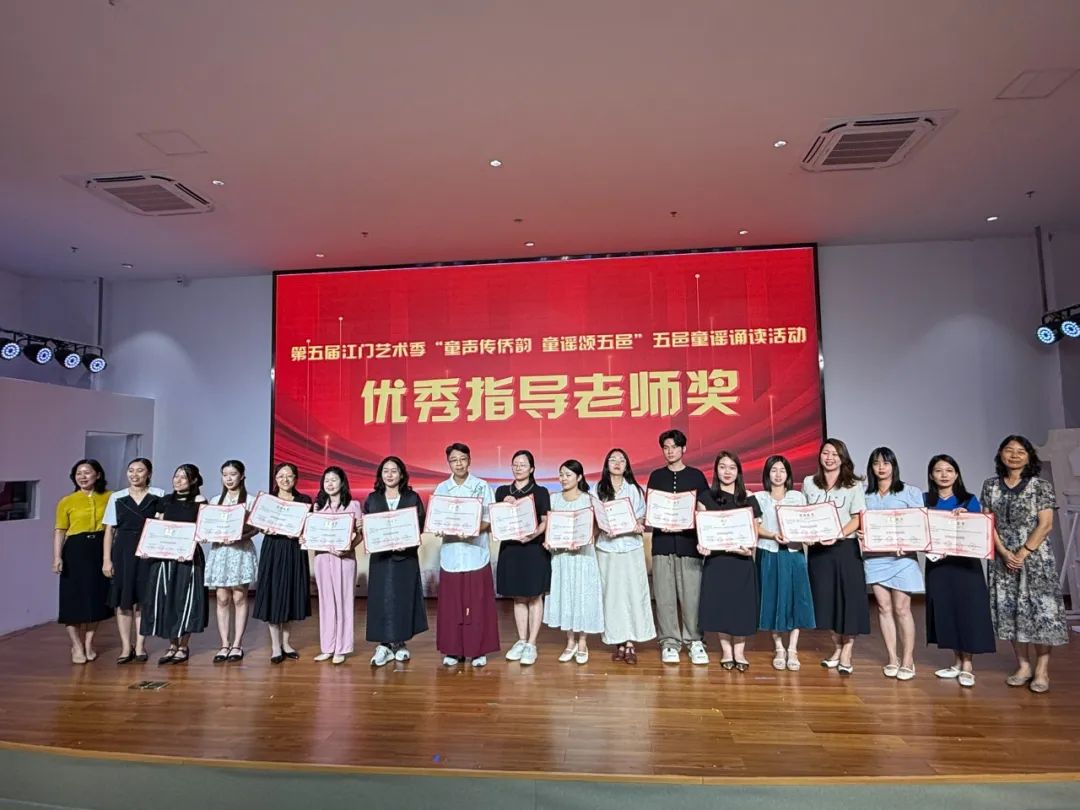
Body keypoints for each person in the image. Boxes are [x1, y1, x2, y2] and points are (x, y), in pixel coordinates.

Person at [980, 435, 1067, 694]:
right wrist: (1004, 552)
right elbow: (987, 522)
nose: (1014, 455)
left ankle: (1042, 670)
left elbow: (1046, 524)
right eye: (1009, 450)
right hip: (1002, 558)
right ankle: (1023, 666)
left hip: (1035, 559)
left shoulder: (1040, 486)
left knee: (1040, 613)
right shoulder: (990, 485)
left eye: (1021, 451)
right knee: (1011, 611)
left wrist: (1023, 552)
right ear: (1000, 453)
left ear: (1029, 457)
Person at [923, 454, 996, 688]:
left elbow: (978, 531)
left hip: (965, 566)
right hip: (938, 566)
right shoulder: (925, 500)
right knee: (947, 611)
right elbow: (919, 531)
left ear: (956, 474)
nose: (944, 475)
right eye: (938, 470)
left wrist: (968, 518)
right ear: (931, 475)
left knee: (967, 611)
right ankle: (956, 662)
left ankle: (967, 665)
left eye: (949, 470)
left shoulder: (968, 500)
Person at [803, 438, 870, 675]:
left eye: (835, 454)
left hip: (845, 549)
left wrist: (838, 534)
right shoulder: (809, 483)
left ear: (843, 458)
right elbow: (804, 514)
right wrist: (805, 534)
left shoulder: (853, 484)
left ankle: (847, 651)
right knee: (826, 601)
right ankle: (837, 647)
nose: (829, 458)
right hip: (819, 552)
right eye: (825, 453)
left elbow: (858, 518)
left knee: (848, 599)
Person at [645, 429, 710, 665]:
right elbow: (652, 508)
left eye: (674, 447)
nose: (670, 451)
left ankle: (695, 641)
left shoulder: (696, 476)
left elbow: (704, 510)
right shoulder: (656, 476)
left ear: (684, 449)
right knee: (664, 596)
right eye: (666, 447)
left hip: (689, 543)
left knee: (692, 595)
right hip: (662, 543)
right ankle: (669, 642)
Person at [433, 443, 499, 667]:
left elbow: (490, 519)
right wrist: (438, 527)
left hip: (475, 554)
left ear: (469, 460)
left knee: (478, 605)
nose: (459, 464)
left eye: (462, 459)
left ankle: (478, 650)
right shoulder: (442, 488)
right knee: (452, 607)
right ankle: (453, 651)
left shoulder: (481, 486)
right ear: (448, 463)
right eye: (454, 460)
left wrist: (473, 529)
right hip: (451, 555)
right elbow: (436, 519)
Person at [861, 447, 925, 680]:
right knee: (883, 608)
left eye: (886, 463)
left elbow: (919, 525)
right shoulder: (864, 494)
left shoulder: (910, 492)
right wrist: (860, 534)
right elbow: (858, 522)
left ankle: (908, 659)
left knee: (902, 609)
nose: (881, 467)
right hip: (875, 558)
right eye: (876, 463)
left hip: (902, 559)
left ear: (893, 466)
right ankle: (892, 658)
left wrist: (908, 544)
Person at [696, 451, 761, 671]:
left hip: (741, 561)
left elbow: (754, 532)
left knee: (740, 607)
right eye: (722, 467)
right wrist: (702, 546)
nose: (727, 472)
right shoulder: (705, 498)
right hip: (717, 562)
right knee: (721, 606)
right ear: (716, 470)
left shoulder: (749, 498)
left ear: (738, 472)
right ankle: (726, 651)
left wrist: (749, 548)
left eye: (732, 467)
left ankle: (740, 652)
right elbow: (702, 532)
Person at [361, 456, 428, 666]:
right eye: (386, 471)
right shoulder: (373, 498)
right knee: (381, 599)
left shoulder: (412, 497)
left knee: (403, 599)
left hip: (405, 558)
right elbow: (367, 526)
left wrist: (407, 542)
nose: (389, 475)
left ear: (401, 474)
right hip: (381, 559)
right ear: (380, 475)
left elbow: (419, 524)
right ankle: (384, 645)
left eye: (394, 471)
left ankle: (400, 643)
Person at [753, 455, 815, 671]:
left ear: (788, 474)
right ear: (767, 474)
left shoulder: (797, 497)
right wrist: (772, 535)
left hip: (793, 554)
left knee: (796, 599)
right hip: (768, 553)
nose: (778, 474)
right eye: (773, 470)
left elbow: (806, 523)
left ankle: (793, 649)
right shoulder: (759, 498)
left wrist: (809, 536)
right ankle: (779, 647)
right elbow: (755, 526)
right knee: (772, 599)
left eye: (782, 470)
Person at [143, 464, 209, 665]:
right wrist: (148, 547)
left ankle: (183, 646)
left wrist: (190, 545)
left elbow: (203, 529)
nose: (178, 480)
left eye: (183, 477)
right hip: (165, 558)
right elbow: (157, 526)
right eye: (176, 476)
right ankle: (172, 645)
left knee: (186, 599)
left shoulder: (199, 501)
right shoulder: (165, 501)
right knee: (166, 598)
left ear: (193, 480)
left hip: (188, 557)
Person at [594, 448, 655, 665]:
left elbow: (642, 517)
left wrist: (638, 524)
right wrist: (603, 527)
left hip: (631, 547)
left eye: (622, 460)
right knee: (612, 595)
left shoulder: (635, 490)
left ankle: (630, 642)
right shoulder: (598, 489)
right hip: (607, 548)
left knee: (632, 593)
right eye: (613, 459)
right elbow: (594, 518)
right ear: (606, 464)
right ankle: (617, 641)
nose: (617, 463)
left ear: (627, 465)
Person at [101, 458, 163, 664]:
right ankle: (126, 647)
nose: (134, 475)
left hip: (148, 551)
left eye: (140, 470)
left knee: (144, 600)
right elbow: (109, 530)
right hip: (123, 550)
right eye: (131, 470)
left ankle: (141, 646)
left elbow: (162, 525)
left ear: (149, 474)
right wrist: (107, 560)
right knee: (123, 600)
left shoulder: (158, 495)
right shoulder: (117, 497)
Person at [544, 459, 604, 663]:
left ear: (579, 477)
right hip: (561, 557)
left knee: (582, 596)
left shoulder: (589, 499)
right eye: (561, 474)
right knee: (566, 596)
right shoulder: (553, 499)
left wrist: (585, 539)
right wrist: (550, 541)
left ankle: (583, 642)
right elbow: (550, 526)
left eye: (568, 475)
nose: (563, 478)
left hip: (583, 556)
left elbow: (598, 526)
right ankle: (570, 641)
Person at [252, 462, 313, 663]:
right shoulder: (267, 501)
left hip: (294, 550)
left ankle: (286, 643)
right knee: (273, 594)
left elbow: (309, 527)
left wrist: (303, 534)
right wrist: (263, 528)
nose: (285, 480)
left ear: (296, 478)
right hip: (273, 548)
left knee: (290, 594)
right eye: (280, 476)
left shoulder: (304, 501)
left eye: (289, 476)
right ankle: (275, 646)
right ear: (275, 479)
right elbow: (258, 524)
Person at [54, 459, 112, 664]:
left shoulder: (110, 497)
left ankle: (89, 643)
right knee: (72, 599)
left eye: (87, 472)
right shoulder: (67, 501)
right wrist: (57, 557)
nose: (83, 476)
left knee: (96, 599)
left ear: (98, 474)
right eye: (78, 473)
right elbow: (60, 531)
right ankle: (76, 645)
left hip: (100, 549)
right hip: (75, 551)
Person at [495, 450, 550, 667]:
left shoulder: (541, 492)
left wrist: (532, 535)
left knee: (535, 596)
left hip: (533, 549)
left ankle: (532, 644)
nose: (518, 468)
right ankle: (521, 640)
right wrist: (504, 504)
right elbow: (497, 520)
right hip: (511, 549)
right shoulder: (502, 491)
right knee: (518, 597)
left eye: (523, 464)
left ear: (532, 469)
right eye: (515, 464)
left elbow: (545, 520)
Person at [205, 460, 259, 663]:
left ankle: (237, 644)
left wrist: (241, 536)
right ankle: (224, 644)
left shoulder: (250, 501)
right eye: (225, 474)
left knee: (239, 597)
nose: (228, 478)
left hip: (240, 551)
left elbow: (256, 528)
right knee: (221, 598)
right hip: (220, 552)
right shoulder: (215, 500)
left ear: (242, 476)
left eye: (233, 474)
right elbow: (207, 527)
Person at [313, 466, 361, 665]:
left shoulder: (353, 505)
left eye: (334, 480)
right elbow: (312, 533)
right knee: (326, 603)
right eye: (326, 480)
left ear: (342, 482)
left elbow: (360, 534)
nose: (330, 484)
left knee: (344, 602)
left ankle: (341, 648)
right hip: (322, 559)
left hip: (344, 559)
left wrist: (349, 547)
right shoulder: (318, 507)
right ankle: (327, 647)